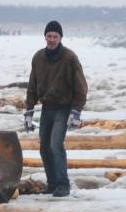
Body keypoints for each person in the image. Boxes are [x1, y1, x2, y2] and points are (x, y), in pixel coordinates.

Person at [23, 20, 87, 197]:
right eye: (49, 36)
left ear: (60, 38)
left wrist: (76, 112)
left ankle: (63, 184)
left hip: (63, 108)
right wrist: (29, 111)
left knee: (55, 144)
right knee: (44, 147)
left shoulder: (69, 58)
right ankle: (52, 183)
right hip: (47, 108)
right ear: (45, 37)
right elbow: (32, 86)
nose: (51, 39)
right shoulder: (38, 57)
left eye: (55, 36)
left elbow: (81, 87)